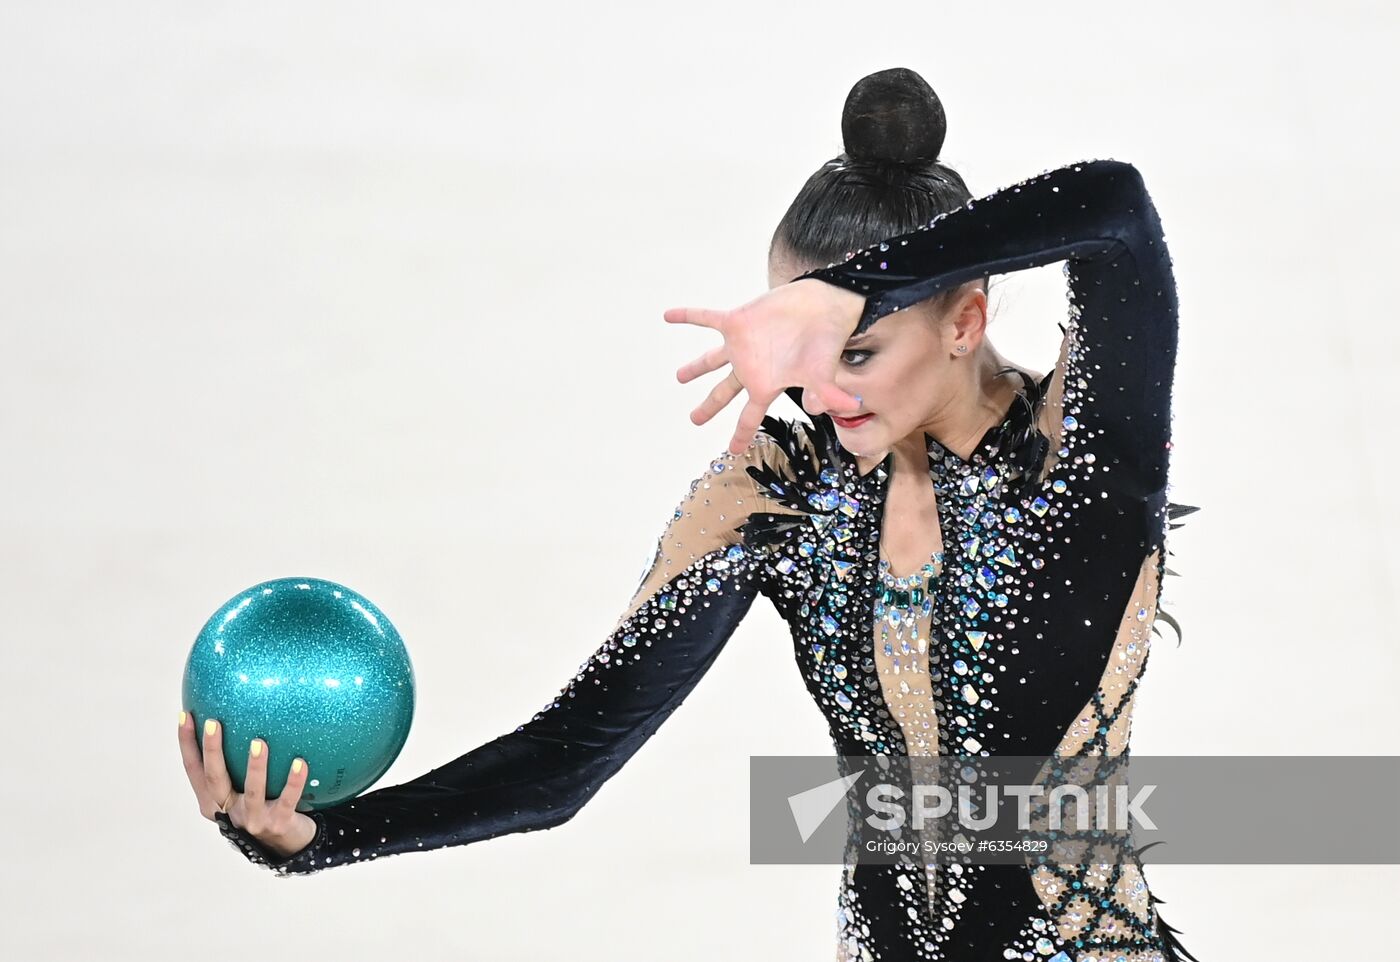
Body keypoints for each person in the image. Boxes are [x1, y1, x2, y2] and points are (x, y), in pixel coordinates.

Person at [178, 67, 1199, 962]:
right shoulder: (778, 498)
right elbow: (567, 757)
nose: (816, 390)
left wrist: (855, 285)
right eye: (793, 348)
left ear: (963, 316)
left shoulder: (1078, 465)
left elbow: (1114, 208)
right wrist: (324, 838)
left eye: (852, 351)